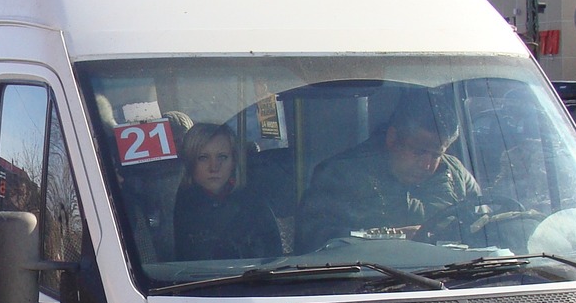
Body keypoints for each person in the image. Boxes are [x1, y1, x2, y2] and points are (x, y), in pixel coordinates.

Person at [296, 90, 480, 251]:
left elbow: (488, 228)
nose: (426, 164)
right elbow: (312, 242)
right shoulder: (340, 175)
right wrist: (392, 237)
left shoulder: (457, 175)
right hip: (366, 281)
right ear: (392, 138)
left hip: (454, 279)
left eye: (436, 154)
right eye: (419, 152)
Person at [172, 123, 283, 261]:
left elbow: (274, 260)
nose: (214, 167)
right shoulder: (175, 207)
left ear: (234, 161)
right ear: (190, 162)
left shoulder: (254, 204)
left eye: (222, 157)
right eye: (203, 157)